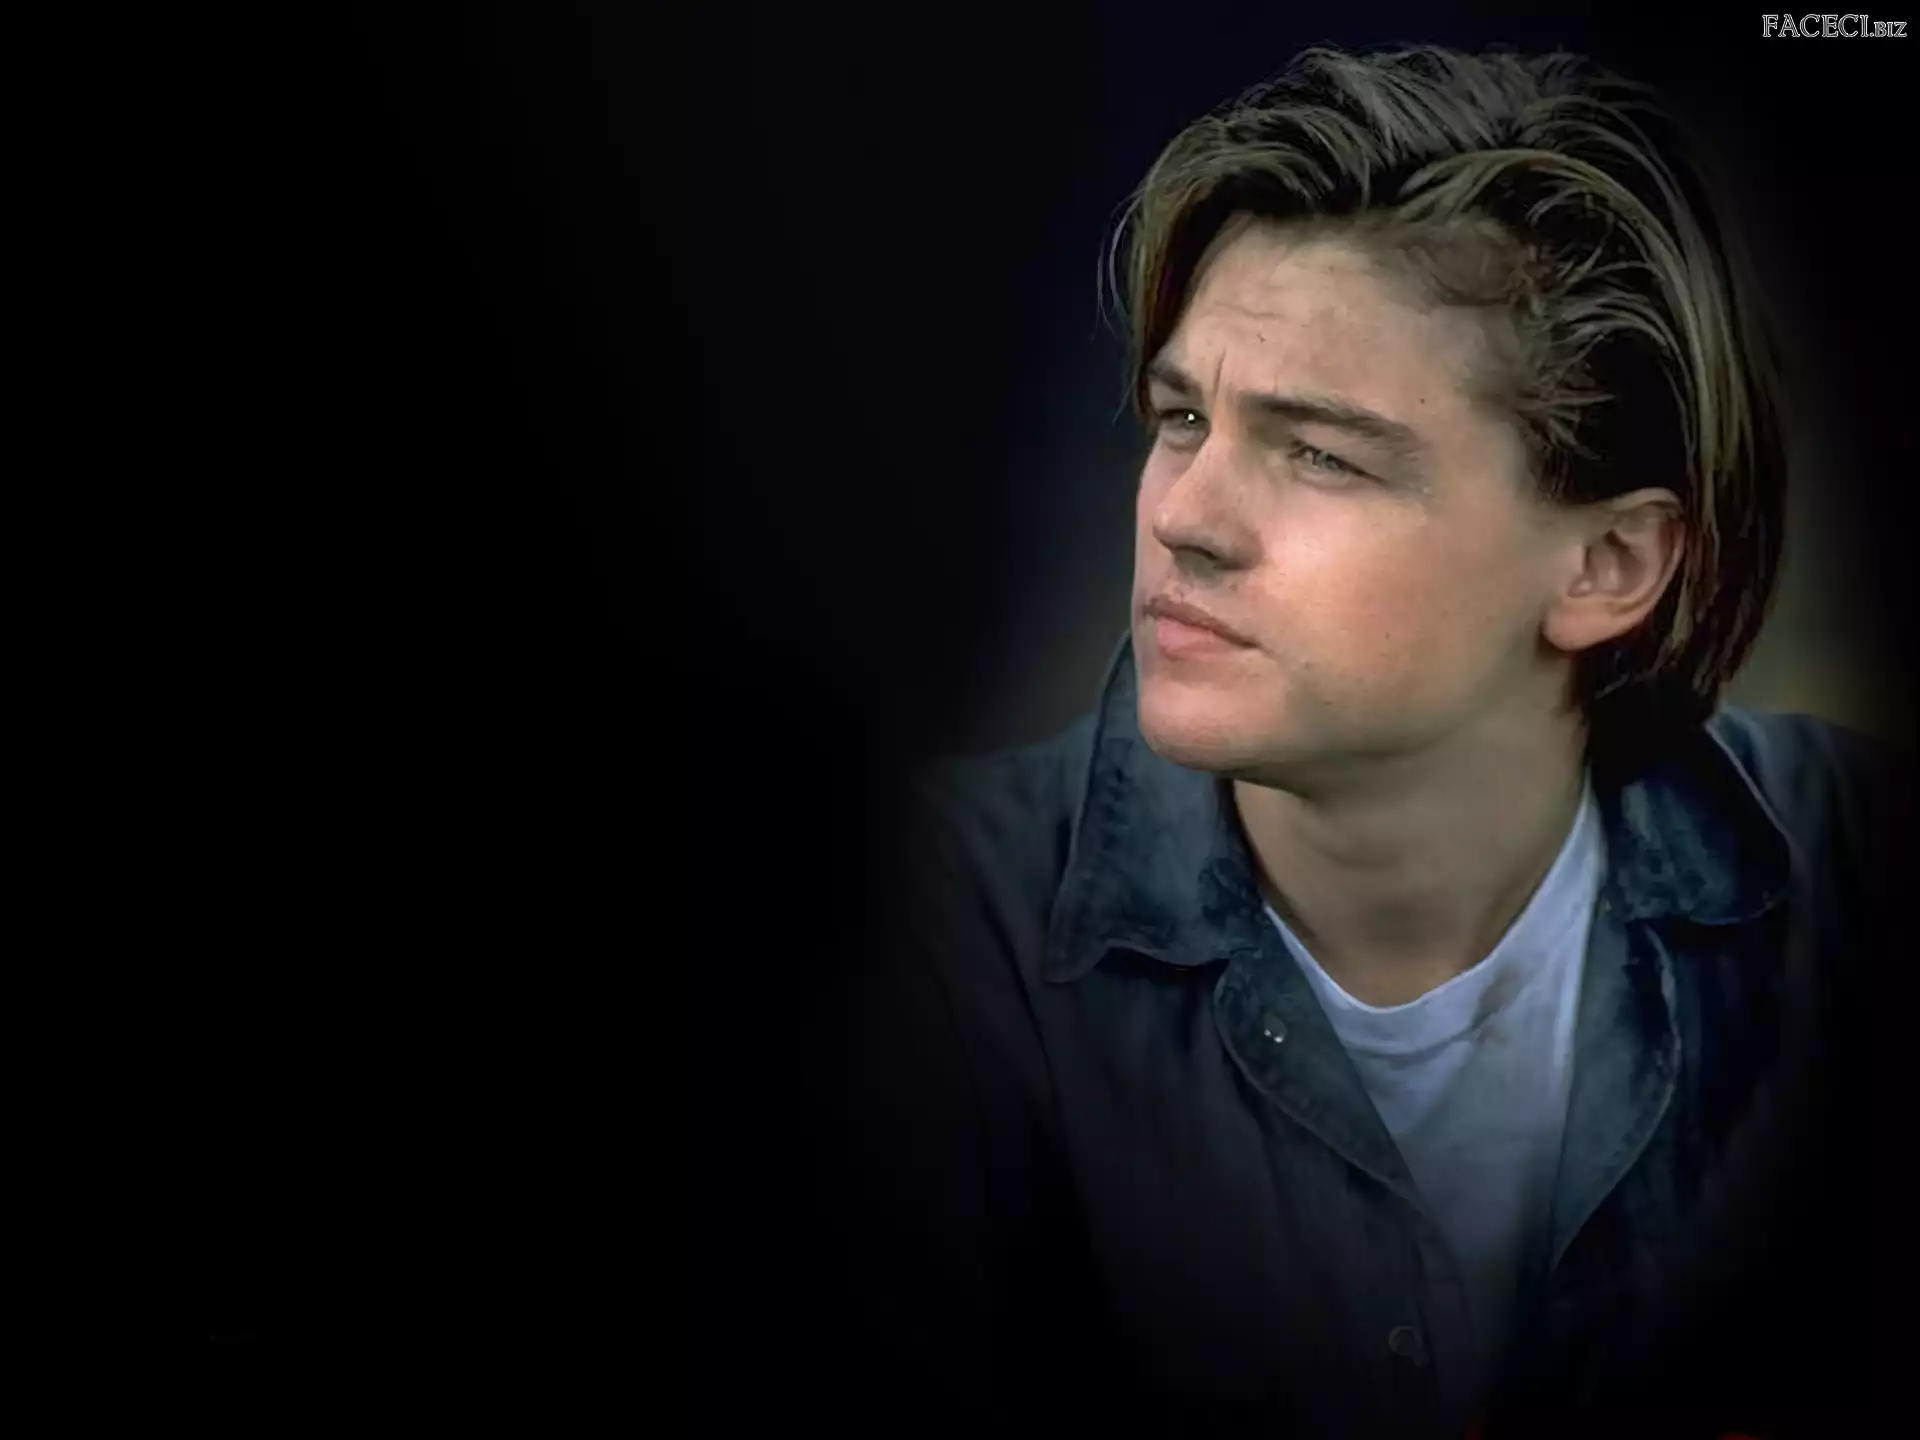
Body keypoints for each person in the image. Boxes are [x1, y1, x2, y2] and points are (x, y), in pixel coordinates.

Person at [822, 45, 1903, 1440]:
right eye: (1182, 418)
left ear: (1611, 565)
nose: (1183, 516)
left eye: (1320, 454)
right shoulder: (918, 932)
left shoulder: (1855, 879)